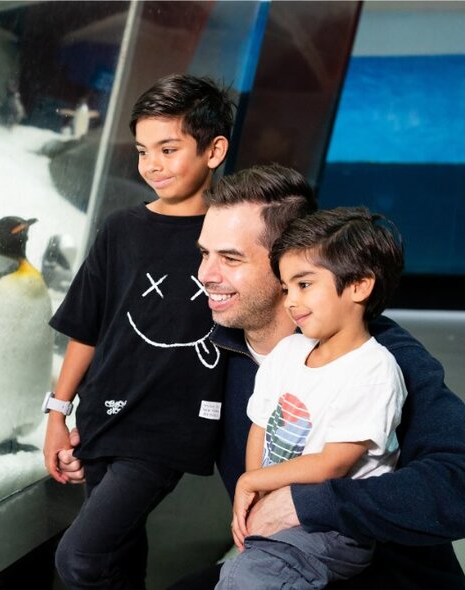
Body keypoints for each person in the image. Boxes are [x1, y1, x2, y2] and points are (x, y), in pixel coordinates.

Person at [58, 164, 465, 588]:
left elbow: (459, 480)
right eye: (204, 253)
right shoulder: (213, 345)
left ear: (286, 264)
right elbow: (152, 395)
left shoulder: (378, 358)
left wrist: (311, 502)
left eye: (231, 259)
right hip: (277, 556)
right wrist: (95, 429)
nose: (206, 275)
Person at [43, 74, 234, 589]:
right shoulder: (121, 229)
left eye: (168, 149)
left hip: (169, 428)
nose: (152, 164)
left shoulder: (230, 234)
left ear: (214, 150)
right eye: (144, 150)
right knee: (117, 556)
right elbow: (87, 326)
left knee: (79, 557)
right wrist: (59, 412)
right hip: (105, 413)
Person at [216, 207, 407, 589]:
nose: (290, 300)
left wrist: (251, 482)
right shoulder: (287, 352)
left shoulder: (374, 371)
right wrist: (259, 491)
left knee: (246, 577)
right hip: (277, 509)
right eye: (286, 288)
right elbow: (260, 428)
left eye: (304, 285)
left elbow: (332, 464)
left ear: (359, 286)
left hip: (334, 528)